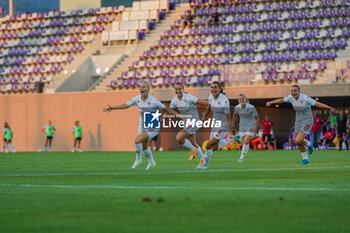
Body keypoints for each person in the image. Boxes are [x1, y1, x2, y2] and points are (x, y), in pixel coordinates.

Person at [103, 80, 180, 170]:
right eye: (140, 87)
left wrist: (180, 115)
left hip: (152, 124)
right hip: (142, 124)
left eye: (144, 87)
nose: (141, 88)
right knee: (144, 146)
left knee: (136, 140)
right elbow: (126, 105)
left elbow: (166, 109)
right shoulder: (137, 99)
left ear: (148, 89)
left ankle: (138, 160)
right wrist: (112, 108)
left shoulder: (154, 101)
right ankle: (151, 162)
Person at [266, 85, 335, 165]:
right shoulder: (290, 97)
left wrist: (329, 108)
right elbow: (281, 100)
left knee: (299, 140)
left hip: (307, 120)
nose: (293, 92)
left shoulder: (305, 98)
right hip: (298, 120)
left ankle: (309, 144)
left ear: (299, 91)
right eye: (292, 91)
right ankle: (305, 158)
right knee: (297, 141)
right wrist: (271, 102)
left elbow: (317, 104)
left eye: (295, 90)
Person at [170, 82, 209, 168]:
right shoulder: (174, 100)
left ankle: (193, 150)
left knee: (179, 137)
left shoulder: (188, 97)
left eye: (180, 88)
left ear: (183, 89)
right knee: (193, 143)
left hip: (194, 122)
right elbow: (170, 111)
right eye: (176, 89)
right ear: (175, 90)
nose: (178, 90)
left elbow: (201, 102)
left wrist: (211, 103)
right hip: (187, 123)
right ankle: (203, 161)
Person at [199, 81, 232, 169]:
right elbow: (209, 107)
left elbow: (228, 118)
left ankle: (204, 165)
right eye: (212, 87)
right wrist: (204, 116)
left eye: (215, 87)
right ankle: (227, 141)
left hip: (223, 126)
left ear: (220, 89)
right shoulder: (211, 97)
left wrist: (230, 132)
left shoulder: (224, 101)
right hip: (215, 125)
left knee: (208, 145)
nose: (213, 89)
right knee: (213, 148)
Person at [232, 94, 259, 162]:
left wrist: (256, 129)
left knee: (246, 141)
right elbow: (235, 115)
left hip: (250, 125)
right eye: (239, 99)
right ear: (238, 101)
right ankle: (245, 150)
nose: (241, 100)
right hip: (242, 125)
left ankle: (241, 158)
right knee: (242, 142)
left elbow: (257, 118)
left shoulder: (251, 107)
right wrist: (232, 123)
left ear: (245, 99)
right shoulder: (237, 107)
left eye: (243, 98)